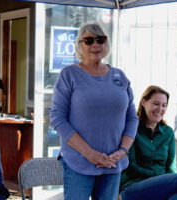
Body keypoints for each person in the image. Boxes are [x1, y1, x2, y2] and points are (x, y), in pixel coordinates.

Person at [50, 23, 139, 200]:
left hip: (112, 164)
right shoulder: (69, 75)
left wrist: (123, 150)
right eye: (89, 40)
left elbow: (132, 118)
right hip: (78, 163)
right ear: (80, 46)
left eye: (100, 39)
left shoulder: (120, 77)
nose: (95, 45)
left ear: (106, 44)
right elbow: (57, 118)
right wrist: (90, 154)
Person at [120, 85, 177, 200]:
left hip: (161, 186)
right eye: (156, 104)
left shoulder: (168, 132)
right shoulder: (132, 129)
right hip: (132, 188)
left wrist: (167, 179)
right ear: (143, 102)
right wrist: (160, 176)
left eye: (164, 105)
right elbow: (131, 166)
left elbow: (171, 166)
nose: (160, 109)